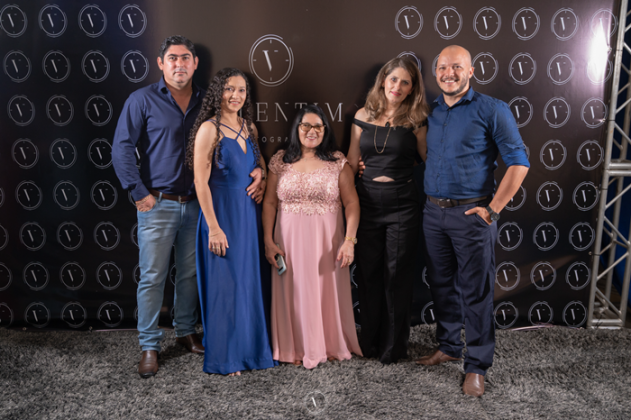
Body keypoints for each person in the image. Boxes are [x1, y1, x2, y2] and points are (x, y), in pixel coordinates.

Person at [416, 45, 529, 397]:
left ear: (471, 71)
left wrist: (493, 210)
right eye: (442, 67)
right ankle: (449, 346)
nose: (448, 73)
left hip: (472, 215)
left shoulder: (492, 109)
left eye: (456, 67)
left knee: (476, 292)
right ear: (436, 73)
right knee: (441, 285)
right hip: (433, 213)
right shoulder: (431, 112)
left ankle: (477, 365)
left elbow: (519, 162)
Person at [113, 35, 211, 378]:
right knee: (153, 277)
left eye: (185, 58)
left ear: (195, 63)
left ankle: (185, 331)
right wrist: (138, 192)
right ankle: (150, 345)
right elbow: (122, 148)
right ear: (161, 63)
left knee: (189, 274)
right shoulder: (141, 99)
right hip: (157, 204)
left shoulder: (207, 102)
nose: (179, 64)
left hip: (196, 205)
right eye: (172, 58)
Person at [188, 67, 274, 376]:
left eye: (241, 90)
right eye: (229, 89)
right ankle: (227, 357)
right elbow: (200, 183)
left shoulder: (249, 126)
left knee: (247, 283)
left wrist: (262, 174)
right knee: (225, 286)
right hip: (221, 216)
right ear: (217, 93)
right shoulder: (208, 129)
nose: (235, 95)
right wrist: (213, 228)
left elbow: (259, 161)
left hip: (248, 216)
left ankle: (250, 353)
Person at [262, 105, 362, 369]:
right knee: (292, 292)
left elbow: (352, 203)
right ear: (297, 129)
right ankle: (291, 347)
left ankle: (327, 344)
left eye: (318, 126)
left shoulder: (337, 162)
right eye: (306, 125)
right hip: (288, 243)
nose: (312, 131)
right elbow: (269, 203)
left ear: (325, 130)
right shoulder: (280, 161)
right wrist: (268, 241)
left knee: (324, 290)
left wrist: (349, 241)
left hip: (326, 243)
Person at [346, 56, 430, 364]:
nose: (398, 86)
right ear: (383, 80)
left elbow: (429, 159)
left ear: (412, 89)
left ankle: (393, 348)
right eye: (394, 79)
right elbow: (351, 162)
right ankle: (369, 343)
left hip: (402, 205)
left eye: (405, 82)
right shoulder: (362, 115)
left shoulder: (417, 119)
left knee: (397, 276)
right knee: (368, 275)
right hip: (366, 202)